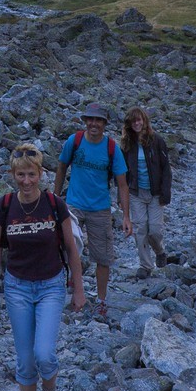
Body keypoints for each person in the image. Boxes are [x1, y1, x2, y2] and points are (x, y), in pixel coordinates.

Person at [0, 143, 84, 391]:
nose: (26, 181)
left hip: (52, 285)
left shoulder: (54, 203)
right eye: (20, 175)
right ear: (13, 175)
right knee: (25, 361)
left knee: (45, 353)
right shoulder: (5, 205)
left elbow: (71, 249)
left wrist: (78, 289)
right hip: (17, 287)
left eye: (31, 175)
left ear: (41, 174)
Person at [53, 104, 131, 324]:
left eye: (98, 120)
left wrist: (126, 216)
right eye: (90, 119)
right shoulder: (74, 141)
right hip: (74, 205)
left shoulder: (112, 148)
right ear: (85, 121)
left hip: (100, 208)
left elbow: (122, 184)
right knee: (67, 249)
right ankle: (71, 291)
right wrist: (55, 198)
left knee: (102, 256)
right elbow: (61, 167)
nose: (93, 124)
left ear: (105, 124)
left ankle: (101, 301)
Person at [121, 106, 172, 277]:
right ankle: (145, 266)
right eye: (133, 121)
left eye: (139, 120)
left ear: (144, 120)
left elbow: (166, 168)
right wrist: (122, 194)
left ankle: (160, 251)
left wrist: (166, 193)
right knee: (140, 229)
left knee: (155, 231)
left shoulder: (157, 141)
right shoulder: (127, 145)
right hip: (136, 193)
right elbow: (122, 170)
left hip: (156, 193)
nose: (136, 123)